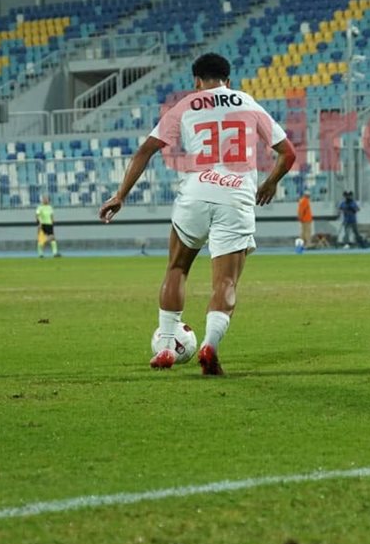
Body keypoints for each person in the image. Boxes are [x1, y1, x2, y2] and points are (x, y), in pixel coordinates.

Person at [99, 52, 296, 375]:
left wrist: (120, 195)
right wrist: (270, 183)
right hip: (235, 196)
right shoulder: (247, 103)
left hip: (195, 194)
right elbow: (288, 153)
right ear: (228, 81)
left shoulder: (185, 105)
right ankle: (210, 347)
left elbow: (145, 151)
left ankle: (166, 346)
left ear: (197, 81)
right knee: (226, 281)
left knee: (177, 268)